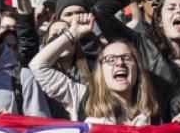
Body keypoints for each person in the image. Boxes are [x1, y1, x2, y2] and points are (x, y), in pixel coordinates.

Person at [93, 0, 180, 121]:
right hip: (158, 132)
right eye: (171, 8)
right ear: (160, 21)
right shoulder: (143, 46)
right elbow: (101, 11)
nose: (179, 11)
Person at [29, 13, 158, 125]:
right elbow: (38, 66)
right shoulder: (83, 98)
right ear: (100, 70)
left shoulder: (153, 113)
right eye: (111, 60)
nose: (120, 63)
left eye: (126, 58)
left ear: (137, 68)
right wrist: (72, 34)